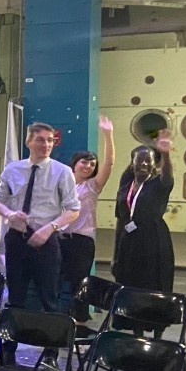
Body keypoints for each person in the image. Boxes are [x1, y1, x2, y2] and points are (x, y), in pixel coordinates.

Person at [0, 122, 81, 311]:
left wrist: (50, 228)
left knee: (49, 297)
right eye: (40, 140)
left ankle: (51, 339)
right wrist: (9, 214)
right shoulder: (12, 170)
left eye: (50, 141)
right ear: (28, 142)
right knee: (15, 296)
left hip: (47, 239)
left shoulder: (62, 172)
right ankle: (11, 338)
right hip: (17, 238)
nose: (46, 145)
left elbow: (73, 210)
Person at [61, 116, 115, 322]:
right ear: (74, 164)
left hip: (81, 242)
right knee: (52, 281)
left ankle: (80, 323)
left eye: (92, 164)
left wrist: (108, 135)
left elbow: (109, 163)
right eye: (84, 162)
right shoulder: (62, 183)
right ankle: (55, 322)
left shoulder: (92, 186)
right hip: (59, 238)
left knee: (79, 284)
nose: (89, 166)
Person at [112, 133, 175, 294]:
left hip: (153, 241)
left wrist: (166, 154)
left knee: (151, 282)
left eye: (148, 160)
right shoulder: (125, 187)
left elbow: (167, 176)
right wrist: (116, 254)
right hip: (129, 241)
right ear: (132, 164)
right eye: (139, 160)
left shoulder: (158, 185)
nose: (144, 163)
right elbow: (121, 220)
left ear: (154, 165)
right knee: (128, 281)